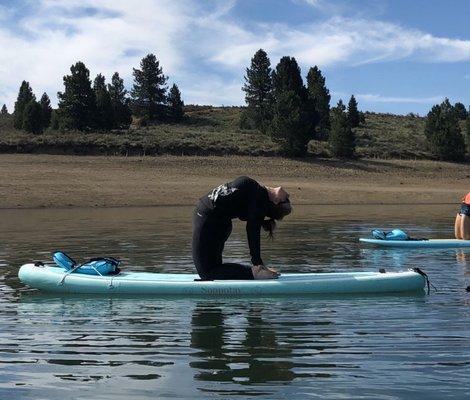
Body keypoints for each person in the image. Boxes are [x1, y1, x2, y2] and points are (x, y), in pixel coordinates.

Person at [192, 176, 292, 280]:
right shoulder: (257, 195)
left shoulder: (259, 201)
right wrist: (259, 264)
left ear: (276, 201)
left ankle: (253, 273)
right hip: (217, 223)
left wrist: (258, 264)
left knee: (207, 273)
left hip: (208, 221)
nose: (288, 195)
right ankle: (253, 272)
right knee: (212, 268)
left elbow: (253, 233)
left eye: (286, 199)